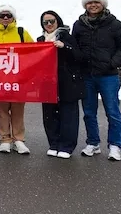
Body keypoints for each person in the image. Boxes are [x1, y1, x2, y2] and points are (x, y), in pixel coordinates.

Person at [73, 0, 121, 162]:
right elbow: (75, 47)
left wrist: (113, 63)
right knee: (89, 112)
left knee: (112, 112)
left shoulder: (115, 24)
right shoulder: (79, 25)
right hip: (87, 75)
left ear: (103, 4)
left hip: (108, 76)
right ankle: (93, 143)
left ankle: (115, 146)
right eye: (89, 3)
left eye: (96, 2)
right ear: (85, 6)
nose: (93, 5)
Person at [0, 4, 34, 154]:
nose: (5, 18)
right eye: (2, 15)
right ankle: (5, 139)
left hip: (19, 79)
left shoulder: (22, 32)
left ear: (13, 18)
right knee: (2, 111)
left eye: (8, 15)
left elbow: (34, 52)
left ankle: (18, 139)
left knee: (18, 110)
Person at [38, 11, 84, 159]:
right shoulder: (39, 40)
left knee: (68, 115)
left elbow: (78, 56)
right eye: (46, 22)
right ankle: (53, 143)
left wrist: (65, 47)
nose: (49, 24)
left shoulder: (67, 37)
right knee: (49, 115)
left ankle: (67, 145)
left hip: (67, 82)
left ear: (58, 21)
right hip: (47, 84)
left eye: (52, 21)